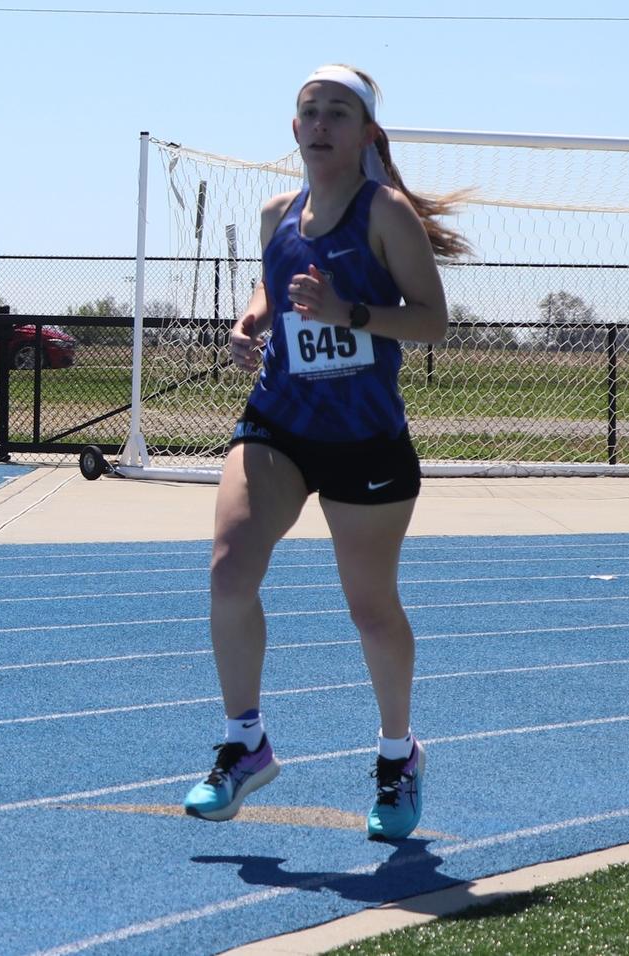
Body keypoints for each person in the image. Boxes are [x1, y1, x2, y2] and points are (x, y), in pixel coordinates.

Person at [182, 64, 469, 840]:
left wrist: (351, 312)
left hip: (365, 437)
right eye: (309, 112)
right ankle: (246, 743)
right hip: (279, 423)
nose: (320, 124)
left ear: (365, 131)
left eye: (337, 113)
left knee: (370, 609)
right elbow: (270, 293)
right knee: (229, 568)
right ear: (294, 128)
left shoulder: (386, 214)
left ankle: (398, 756)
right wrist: (248, 328)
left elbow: (434, 321)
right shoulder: (280, 210)